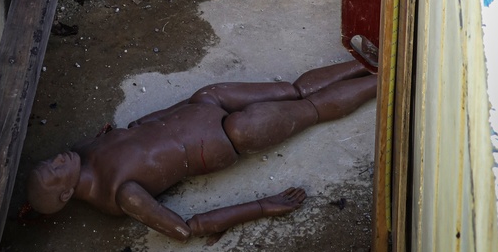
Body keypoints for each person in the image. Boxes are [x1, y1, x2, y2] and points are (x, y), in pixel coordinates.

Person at [26, 60, 376, 238]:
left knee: (293, 90)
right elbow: (184, 229)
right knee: (310, 110)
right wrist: (262, 206)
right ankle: (384, 78)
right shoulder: (121, 195)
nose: (58, 159)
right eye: (55, 171)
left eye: (49, 161)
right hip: (225, 138)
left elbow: (138, 128)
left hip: (206, 101)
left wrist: (186, 105)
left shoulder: (81, 149)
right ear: (65, 195)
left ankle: (370, 59)